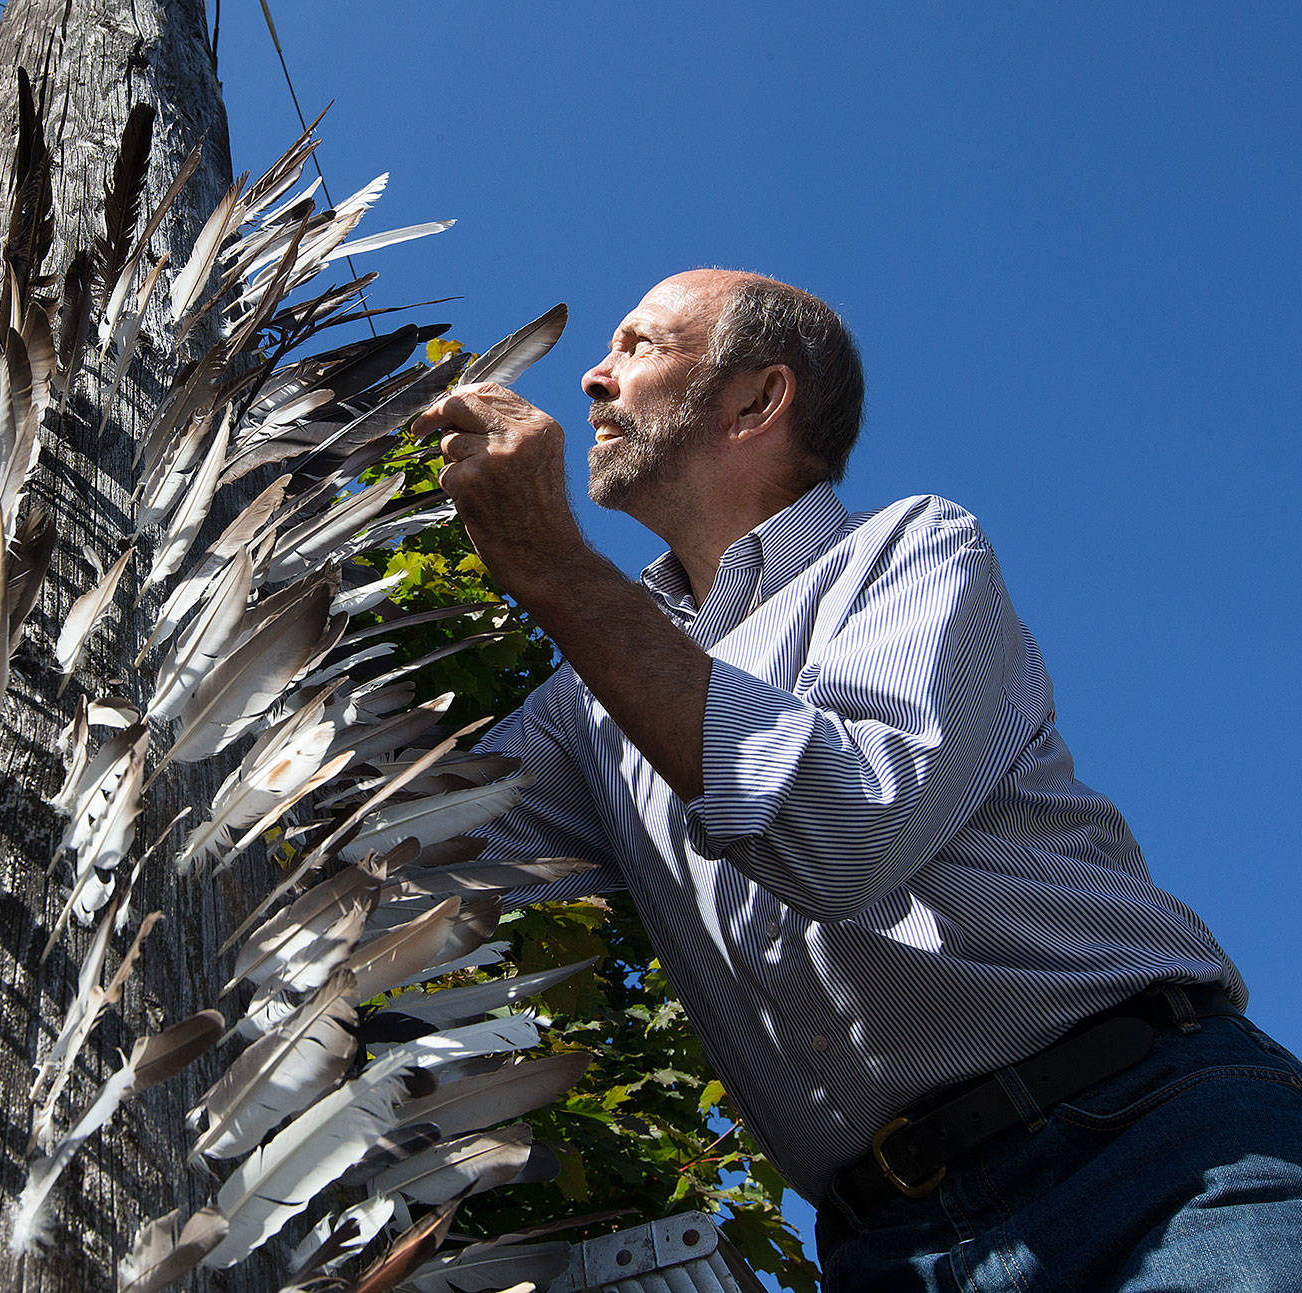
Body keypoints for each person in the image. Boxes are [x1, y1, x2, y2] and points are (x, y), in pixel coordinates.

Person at [410, 269, 1302, 1291]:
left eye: (637, 346)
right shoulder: (584, 708)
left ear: (755, 400)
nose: (591, 379)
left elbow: (845, 833)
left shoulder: (908, 550)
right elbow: (395, 863)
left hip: (1150, 1153)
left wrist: (554, 568)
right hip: (889, 1248)